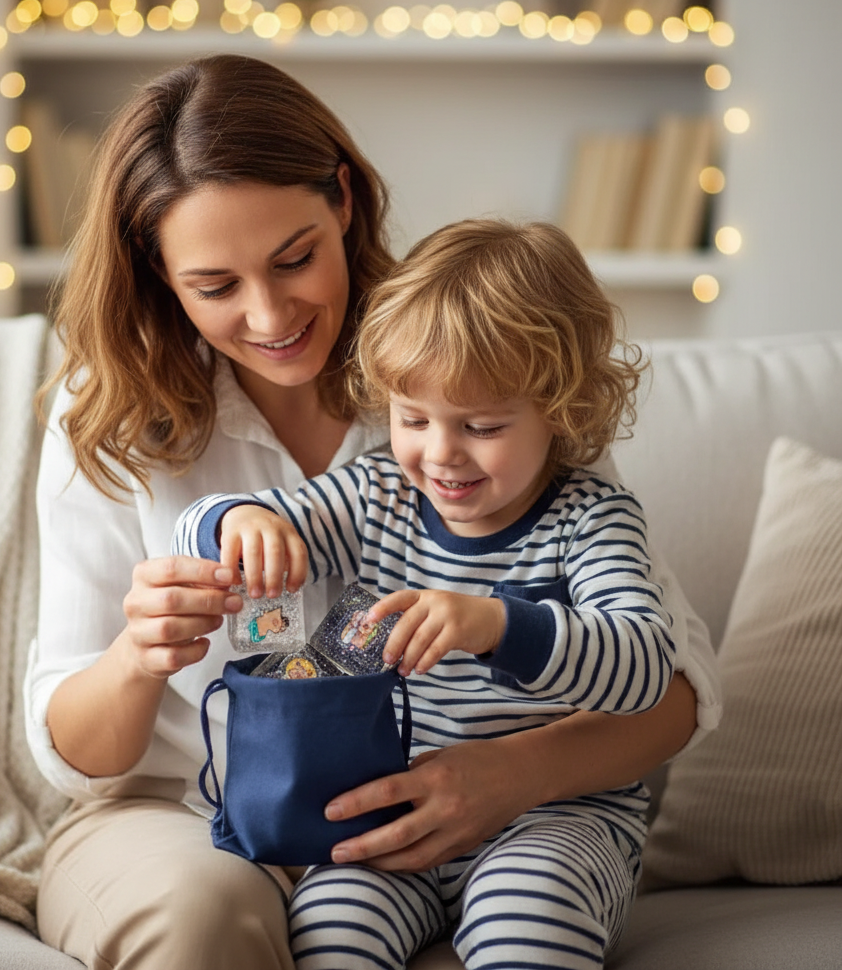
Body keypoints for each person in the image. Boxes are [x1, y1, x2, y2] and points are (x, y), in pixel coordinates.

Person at [25, 54, 721, 970]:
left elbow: (673, 686)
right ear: (158, 272)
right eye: (215, 286)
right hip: (186, 813)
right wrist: (141, 651)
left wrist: (508, 773)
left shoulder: (471, 359)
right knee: (205, 920)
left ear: (344, 201)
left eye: (294, 258)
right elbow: (77, 755)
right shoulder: (106, 416)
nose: (271, 314)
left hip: (450, 813)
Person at [174, 217, 677, 968]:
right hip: (391, 813)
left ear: (562, 409)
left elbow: (644, 666)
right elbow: (204, 529)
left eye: (481, 424)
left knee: (530, 919)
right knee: (328, 926)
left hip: (555, 820)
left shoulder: (591, 520)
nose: (440, 454)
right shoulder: (378, 491)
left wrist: (496, 625)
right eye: (413, 418)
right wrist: (238, 521)